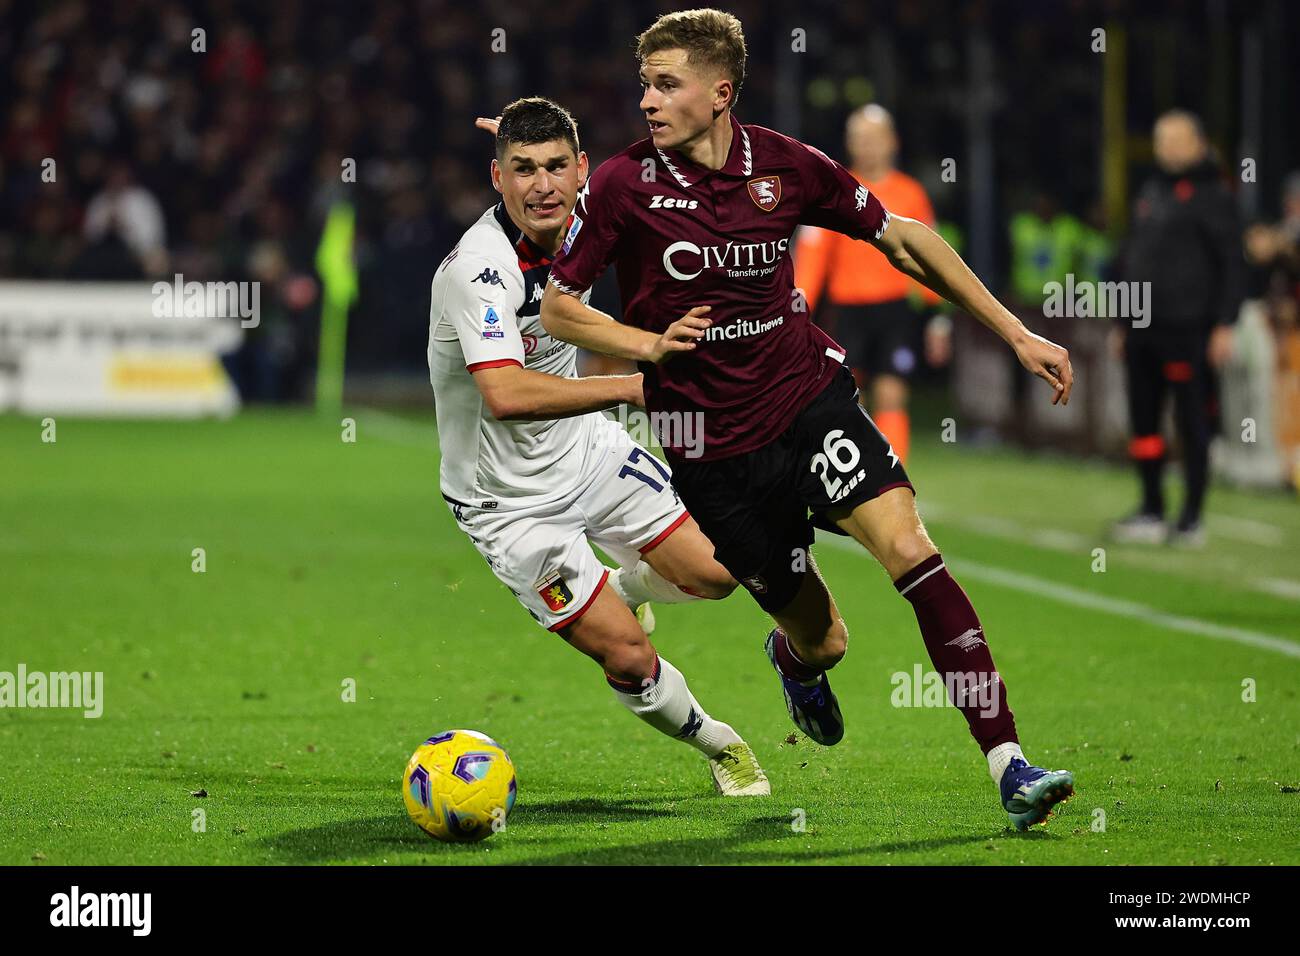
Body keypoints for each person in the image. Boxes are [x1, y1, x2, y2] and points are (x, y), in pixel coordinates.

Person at [540, 8, 1075, 829]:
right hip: (712, 449)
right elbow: (560, 309)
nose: (647, 101)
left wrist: (1012, 330)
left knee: (911, 550)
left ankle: (1009, 762)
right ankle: (795, 660)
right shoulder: (621, 184)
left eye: (667, 84)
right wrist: (649, 343)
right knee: (826, 641)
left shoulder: (786, 166)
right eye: (644, 84)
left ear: (720, 93)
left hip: (806, 400)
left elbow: (902, 239)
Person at [429, 96, 768, 796]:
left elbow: (679, 160)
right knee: (629, 654)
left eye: (557, 167)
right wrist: (632, 389)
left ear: (584, 170)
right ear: (497, 180)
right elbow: (508, 395)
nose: (541, 185)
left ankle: (620, 584)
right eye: (521, 170)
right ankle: (719, 744)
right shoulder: (479, 271)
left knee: (720, 572)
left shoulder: (589, 213)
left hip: (586, 454)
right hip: (507, 506)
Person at [1111, 110, 1244, 547]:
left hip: (1188, 328)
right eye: (1159, 138)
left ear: (1198, 143)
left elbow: (1231, 264)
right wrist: (1122, 322)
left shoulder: (1215, 194)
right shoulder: (1151, 190)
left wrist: (1225, 324)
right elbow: (1132, 260)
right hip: (1143, 325)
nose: (1165, 147)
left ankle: (1191, 517)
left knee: (1191, 421)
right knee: (1144, 420)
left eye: (1175, 139)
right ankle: (1151, 508)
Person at [794, 104, 944, 465]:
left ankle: (895, 475)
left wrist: (938, 318)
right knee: (850, 398)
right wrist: (797, 310)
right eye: (858, 139)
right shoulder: (834, 190)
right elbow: (813, 257)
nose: (867, 146)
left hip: (894, 312)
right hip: (848, 313)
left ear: (892, 142)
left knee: (892, 395)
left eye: (873, 138)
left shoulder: (911, 194)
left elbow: (930, 257)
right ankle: (861, 474)